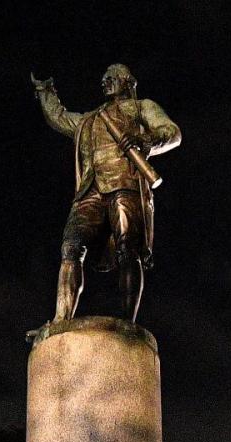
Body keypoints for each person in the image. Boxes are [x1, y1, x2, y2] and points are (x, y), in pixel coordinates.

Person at [31, 63, 181, 322]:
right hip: (90, 190)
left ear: (128, 81)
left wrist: (145, 140)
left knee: (127, 251)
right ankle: (60, 321)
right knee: (70, 246)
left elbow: (172, 133)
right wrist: (46, 91)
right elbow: (60, 117)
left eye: (112, 77)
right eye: (103, 78)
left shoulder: (141, 107)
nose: (105, 81)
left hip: (124, 184)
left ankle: (127, 324)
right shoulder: (90, 119)